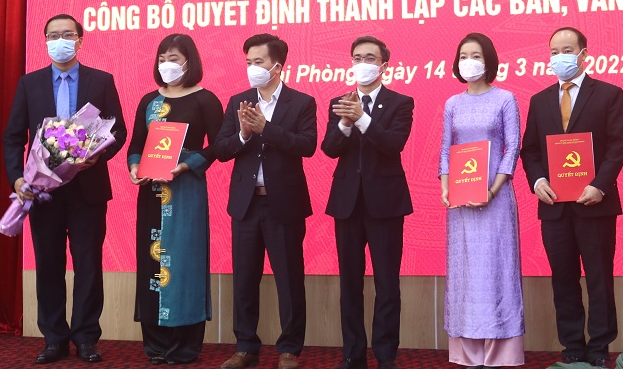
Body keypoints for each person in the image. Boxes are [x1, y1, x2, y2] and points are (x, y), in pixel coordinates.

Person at [3, 13, 127, 364]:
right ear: (45, 41)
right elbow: (13, 137)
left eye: (67, 34)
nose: (60, 40)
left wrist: (97, 156)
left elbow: (118, 130)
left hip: (88, 189)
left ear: (80, 40)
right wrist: (17, 179)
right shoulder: (29, 83)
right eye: (53, 35)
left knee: (88, 264)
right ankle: (54, 339)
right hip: (43, 191)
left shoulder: (101, 80)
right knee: (48, 265)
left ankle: (86, 338)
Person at [520, 27, 623, 369]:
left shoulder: (609, 94)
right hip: (554, 206)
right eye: (554, 52)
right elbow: (530, 150)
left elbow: (617, 146)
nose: (559, 57)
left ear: (584, 54)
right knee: (563, 277)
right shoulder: (540, 101)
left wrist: (600, 185)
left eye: (567, 50)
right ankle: (572, 345)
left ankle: (599, 347)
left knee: (599, 277)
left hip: (595, 203)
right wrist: (537, 180)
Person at [215, 34, 316, 369]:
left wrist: (266, 128)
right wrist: (244, 134)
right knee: (244, 279)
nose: (252, 68)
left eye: (258, 62)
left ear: (277, 66)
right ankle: (246, 346)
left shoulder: (301, 103)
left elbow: (307, 145)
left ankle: (289, 349)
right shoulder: (238, 101)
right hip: (246, 205)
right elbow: (221, 149)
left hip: (283, 205)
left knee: (289, 279)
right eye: (248, 62)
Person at [126, 34, 223, 365]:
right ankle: (155, 345)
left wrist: (187, 164)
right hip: (151, 192)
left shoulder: (205, 99)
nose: (167, 64)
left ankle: (184, 346)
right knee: (152, 263)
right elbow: (136, 143)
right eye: (162, 58)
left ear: (189, 62)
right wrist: (134, 167)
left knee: (185, 262)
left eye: (174, 58)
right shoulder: (149, 101)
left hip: (186, 192)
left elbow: (219, 145)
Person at [321, 36, 415, 369]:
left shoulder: (400, 102)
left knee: (387, 282)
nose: (362, 63)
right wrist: (345, 122)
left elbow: (393, 144)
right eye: (357, 57)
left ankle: (386, 354)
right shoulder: (339, 102)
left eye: (370, 58)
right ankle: (353, 353)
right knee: (350, 283)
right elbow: (329, 149)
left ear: (383, 66)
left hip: (385, 203)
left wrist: (362, 118)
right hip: (347, 203)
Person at [439, 33, 524, 369]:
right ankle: (467, 353)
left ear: (488, 60)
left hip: (495, 200)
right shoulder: (452, 104)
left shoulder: (505, 99)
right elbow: (446, 150)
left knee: (496, 271)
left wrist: (491, 190)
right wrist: (446, 187)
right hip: (461, 203)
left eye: (475, 55)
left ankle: (501, 354)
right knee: (466, 274)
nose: (468, 61)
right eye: (463, 56)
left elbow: (512, 147)